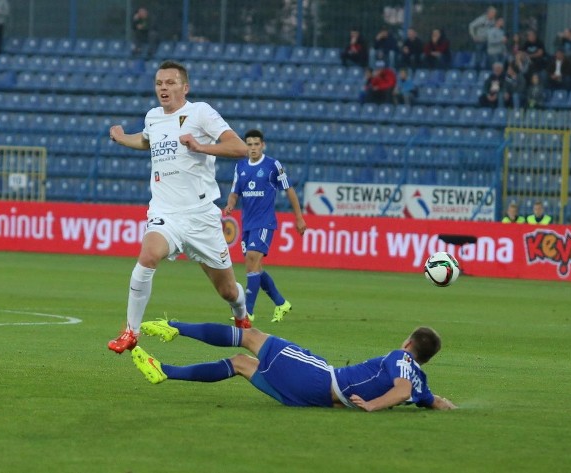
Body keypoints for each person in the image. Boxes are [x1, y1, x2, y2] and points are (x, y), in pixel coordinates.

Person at [106, 60, 252, 354]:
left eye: (170, 83)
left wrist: (201, 147)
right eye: (159, 83)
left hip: (200, 216)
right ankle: (130, 332)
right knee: (147, 256)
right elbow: (148, 142)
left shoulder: (201, 113)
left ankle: (242, 314)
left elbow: (239, 148)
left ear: (185, 87)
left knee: (228, 290)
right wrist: (122, 138)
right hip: (164, 213)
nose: (164, 88)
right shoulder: (153, 117)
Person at [130, 319, 457, 411]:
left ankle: (174, 327)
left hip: (320, 378)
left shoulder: (400, 358)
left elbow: (399, 391)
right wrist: (453, 407)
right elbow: (434, 401)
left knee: (251, 337)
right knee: (243, 364)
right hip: (313, 398)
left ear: (409, 345)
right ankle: (165, 371)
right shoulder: (421, 381)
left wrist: (371, 405)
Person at [223, 129, 307, 323]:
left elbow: (289, 190)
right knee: (255, 267)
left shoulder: (272, 165)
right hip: (247, 224)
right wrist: (230, 204)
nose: (252, 148)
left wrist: (299, 217)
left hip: (264, 222)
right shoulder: (241, 166)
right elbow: (235, 192)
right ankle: (281, 303)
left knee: (251, 261)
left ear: (263, 145)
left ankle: (248, 312)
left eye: (256, 144)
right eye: (249, 144)